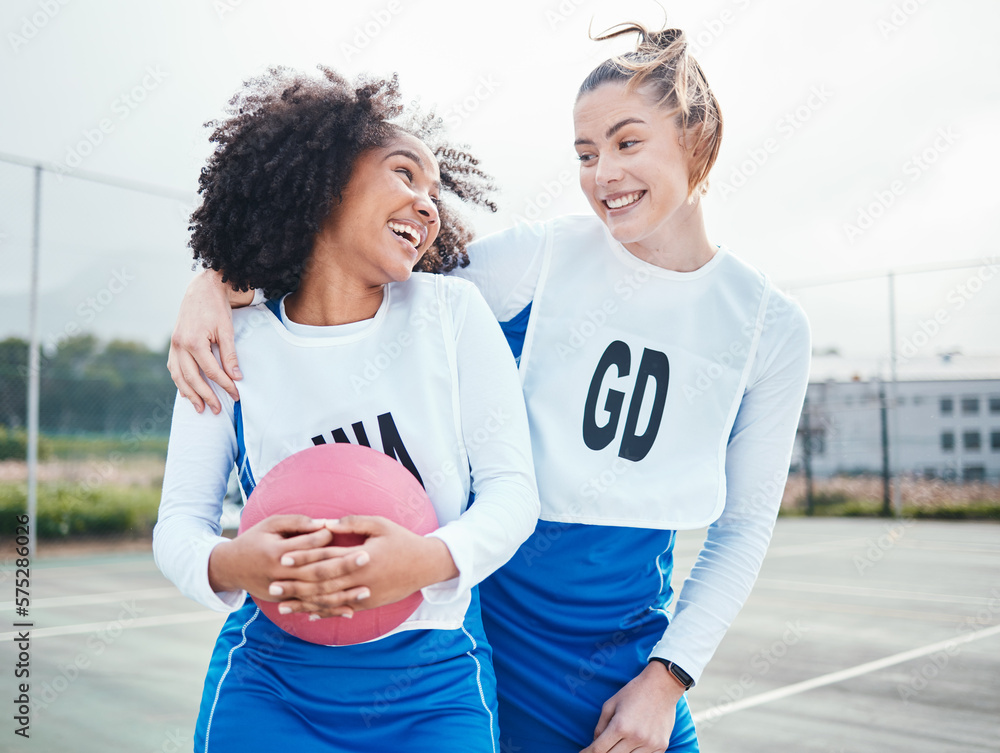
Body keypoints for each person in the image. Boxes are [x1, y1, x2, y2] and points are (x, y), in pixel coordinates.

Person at [167, 24, 811, 753]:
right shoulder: (537, 260)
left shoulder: (770, 327)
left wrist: (668, 680)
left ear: (697, 135)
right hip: (477, 640)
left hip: (623, 661)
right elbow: (352, 273)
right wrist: (216, 279)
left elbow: (745, 526)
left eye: (627, 143)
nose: (603, 173)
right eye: (585, 153)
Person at [153, 66, 539, 752]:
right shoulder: (232, 342)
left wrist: (425, 560)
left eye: (435, 194)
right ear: (324, 177)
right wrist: (234, 565)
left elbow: (513, 493)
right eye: (404, 174)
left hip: (434, 683)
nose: (428, 204)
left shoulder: (451, 314)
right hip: (272, 683)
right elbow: (179, 523)